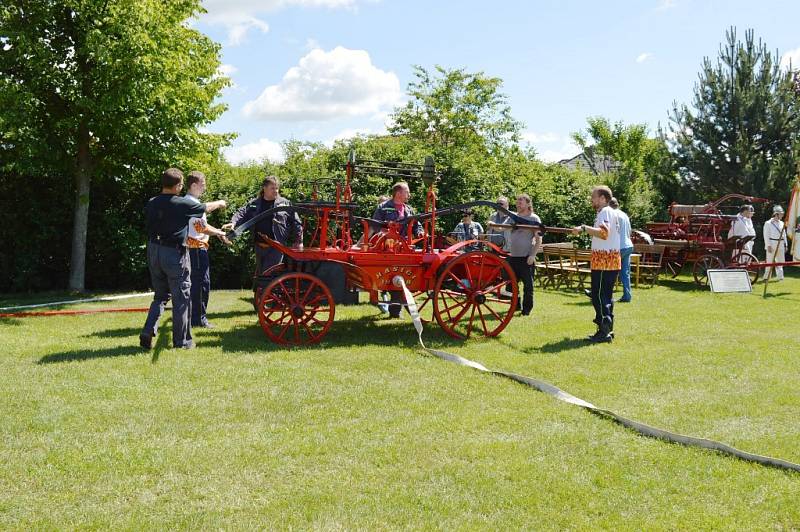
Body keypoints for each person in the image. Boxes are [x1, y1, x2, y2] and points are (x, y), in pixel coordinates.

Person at [140, 168, 227, 350]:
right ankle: (183, 342)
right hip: (173, 254)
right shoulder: (180, 204)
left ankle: (148, 330)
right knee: (182, 296)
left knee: (160, 296)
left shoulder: (151, 202)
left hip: (153, 250)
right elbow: (205, 208)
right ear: (178, 186)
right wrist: (219, 202)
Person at [224, 176, 303, 286]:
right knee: (262, 275)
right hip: (259, 246)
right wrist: (233, 222)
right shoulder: (254, 204)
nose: (276, 191)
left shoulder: (285, 203)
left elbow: (297, 223)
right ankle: (263, 298)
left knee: (268, 275)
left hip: (276, 247)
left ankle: (267, 300)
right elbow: (241, 213)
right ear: (264, 188)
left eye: (277, 188)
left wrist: (299, 241)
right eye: (272, 188)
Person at [572, 185, 620, 343]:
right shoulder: (612, 213)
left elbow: (603, 233)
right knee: (606, 296)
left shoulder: (605, 211)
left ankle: (603, 330)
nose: (591, 200)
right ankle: (608, 329)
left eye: (594, 197)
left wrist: (584, 228)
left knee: (598, 296)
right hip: (611, 260)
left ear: (603, 199)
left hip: (603, 260)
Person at [185, 171, 230, 329]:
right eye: (203, 185)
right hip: (196, 250)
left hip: (196, 249)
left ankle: (195, 318)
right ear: (194, 185)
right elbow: (200, 227)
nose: (204, 188)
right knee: (201, 284)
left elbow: (202, 225)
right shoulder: (191, 203)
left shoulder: (191, 202)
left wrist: (218, 232)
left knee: (197, 284)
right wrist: (219, 232)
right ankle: (199, 320)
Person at [372, 182, 423, 317]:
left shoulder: (409, 209)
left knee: (400, 275)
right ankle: (399, 311)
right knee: (393, 276)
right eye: (407, 192)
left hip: (404, 249)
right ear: (399, 193)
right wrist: (385, 233)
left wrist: (419, 232)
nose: (409, 195)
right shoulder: (383, 208)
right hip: (386, 249)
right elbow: (375, 225)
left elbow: (417, 224)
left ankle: (395, 312)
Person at [504, 194, 542, 316]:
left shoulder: (534, 218)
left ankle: (526, 310)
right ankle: (515, 306)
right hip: (513, 256)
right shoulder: (513, 217)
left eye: (521, 201)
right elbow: (501, 228)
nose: (518, 203)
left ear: (528, 203)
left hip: (526, 257)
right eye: (517, 201)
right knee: (511, 285)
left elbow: (538, 239)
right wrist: (490, 223)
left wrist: (533, 255)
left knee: (528, 287)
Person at [609, 197, 634, 302]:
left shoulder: (611, 215)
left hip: (618, 247)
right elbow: (630, 231)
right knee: (625, 272)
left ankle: (607, 296)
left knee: (610, 272)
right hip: (628, 245)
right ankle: (627, 296)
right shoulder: (624, 215)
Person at [763, 205, 787, 281]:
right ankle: (767, 277)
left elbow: (784, 234)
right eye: (781, 214)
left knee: (780, 261)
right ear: (776, 214)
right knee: (769, 261)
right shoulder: (768, 223)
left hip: (781, 243)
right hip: (772, 243)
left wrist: (786, 244)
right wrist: (768, 245)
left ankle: (780, 277)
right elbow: (766, 235)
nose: (782, 215)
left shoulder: (782, 223)